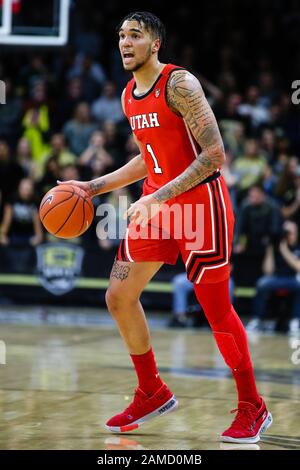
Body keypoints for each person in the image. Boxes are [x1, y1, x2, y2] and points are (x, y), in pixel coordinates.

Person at [59, 11, 272, 443]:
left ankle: (254, 406)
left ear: (155, 43)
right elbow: (147, 157)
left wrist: (156, 196)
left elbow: (214, 154)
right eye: (121, 35)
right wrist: (92, 186)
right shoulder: (128, 96)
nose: (125, 42)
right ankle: (151, 391)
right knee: (119, 295)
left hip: (200, 205)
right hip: (158, 206)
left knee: (216, 311)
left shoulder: (180, 84)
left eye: (135, 35)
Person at [247, 220, 300, 334]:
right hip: (276, 278)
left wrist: (285, 250)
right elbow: (268, 270)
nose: (288, 235)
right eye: (285, 232)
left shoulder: (297, 247)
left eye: (290, 232)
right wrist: (270, 249)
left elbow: (298, 267)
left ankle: (295, 322)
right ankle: (257, 320)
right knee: (261, 283)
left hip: (292, 278)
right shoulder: (275, 247)